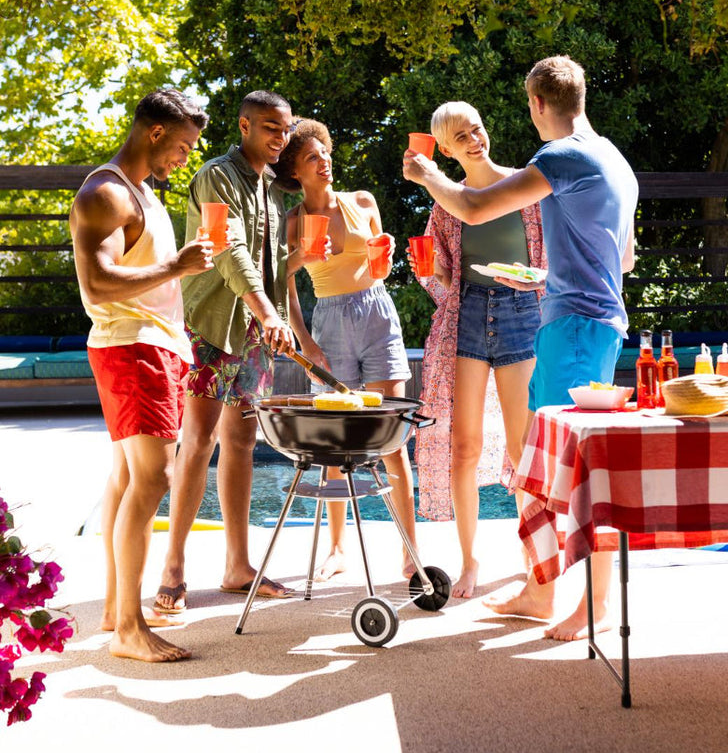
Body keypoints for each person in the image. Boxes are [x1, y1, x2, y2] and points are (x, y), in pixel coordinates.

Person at [402, 56, 637, 640]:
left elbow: (477, 207)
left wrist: (427, 174)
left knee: (577, 469)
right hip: (579, 320)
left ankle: (597, 604)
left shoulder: (559, 156)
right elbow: (624, 259)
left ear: (535, 105)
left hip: (576, 327)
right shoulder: (615, 159)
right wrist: (546, 280)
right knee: (541, 464)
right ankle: (540, 591)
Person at [153, 90, 322, 614]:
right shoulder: (213, 176)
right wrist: (266, 312)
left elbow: (272, 265)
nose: (281, 138)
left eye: (286, 129)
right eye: (271, 127)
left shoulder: (274, 190)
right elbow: (227, 248)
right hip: (210, 327)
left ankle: (237, 566)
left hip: (254, 334)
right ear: (245, 127)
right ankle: (174, 567)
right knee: (198, 441)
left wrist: (294, 270)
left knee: (243, 442)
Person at [70, 87, 215, 662]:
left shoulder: (142, 193)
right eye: (182, 146)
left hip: (155, 347)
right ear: (155, 134)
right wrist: (176, 264)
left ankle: (114, 608)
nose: (185, 157)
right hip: (133, 349)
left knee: (127, 480)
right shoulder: (105, 193)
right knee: (152, 480)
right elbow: (96, 283)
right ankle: (130, 628)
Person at [273, 119, 419, 581]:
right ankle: (336, 549)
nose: (325, 162)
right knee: (335, 446)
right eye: (313, 157)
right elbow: (284, 285)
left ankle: (409, 549)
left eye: (326, 153)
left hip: (376, 314)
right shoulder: (293, 221)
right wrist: (307, 343)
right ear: (295, 170)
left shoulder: (362, 202)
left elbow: (377, 268)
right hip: (329, 324)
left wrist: (388, 253)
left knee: (393, 437)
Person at [413, 101, 545, 599]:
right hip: (467, 316)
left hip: (520, 313)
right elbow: (436, 273)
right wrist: (435, 275)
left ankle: (534, 557)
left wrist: (538, 288)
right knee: (462, 449)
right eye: (461, 136)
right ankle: (470, 562)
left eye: (478, 129)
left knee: (522, 449)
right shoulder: (446, 200)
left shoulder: (523, 185)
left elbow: (549, 256)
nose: (475, 139)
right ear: (444, 150)